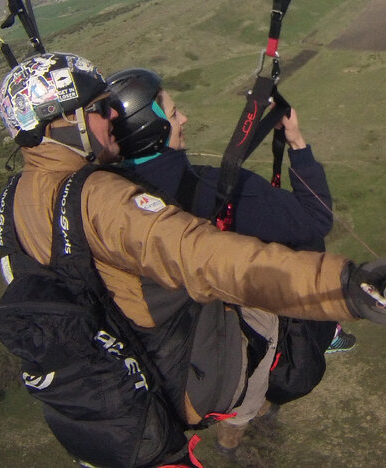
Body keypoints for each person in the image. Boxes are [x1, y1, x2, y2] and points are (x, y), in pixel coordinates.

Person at [0, 52, 386, 468]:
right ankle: (241, 431)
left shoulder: (15, 199)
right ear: (64, 122)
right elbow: (205, 256)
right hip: (187, 375)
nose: (110, 118)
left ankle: (238, 433)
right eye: (97, 110)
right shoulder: (102, 199)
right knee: (263, 309)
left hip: (116, 373)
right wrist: (343, 286)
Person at [105, 68, 354, 453]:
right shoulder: (218, 190)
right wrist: (297, 144)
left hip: (160, 346)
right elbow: (314, 219)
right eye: (172, 115)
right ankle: (236, 428)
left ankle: (231, 431)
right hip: (224, 345)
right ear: (151, 130)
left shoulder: (107, 198)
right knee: (302, 253)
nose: (183, 118)